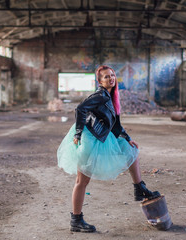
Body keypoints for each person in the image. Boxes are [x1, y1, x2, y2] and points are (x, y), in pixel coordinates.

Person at [57, 65, 160, 233]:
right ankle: (76, 220)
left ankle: (139, 188)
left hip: (101, 136)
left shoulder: (111, 96)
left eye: (112, 75)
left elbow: (115, 124)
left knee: (131, 150)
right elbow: (80, 109)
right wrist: (78, 133)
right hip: (89, 138)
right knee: (82, 181)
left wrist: (127, 138)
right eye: (106, 77)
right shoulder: (100, 95)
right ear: (99, 81)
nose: (111, 78)